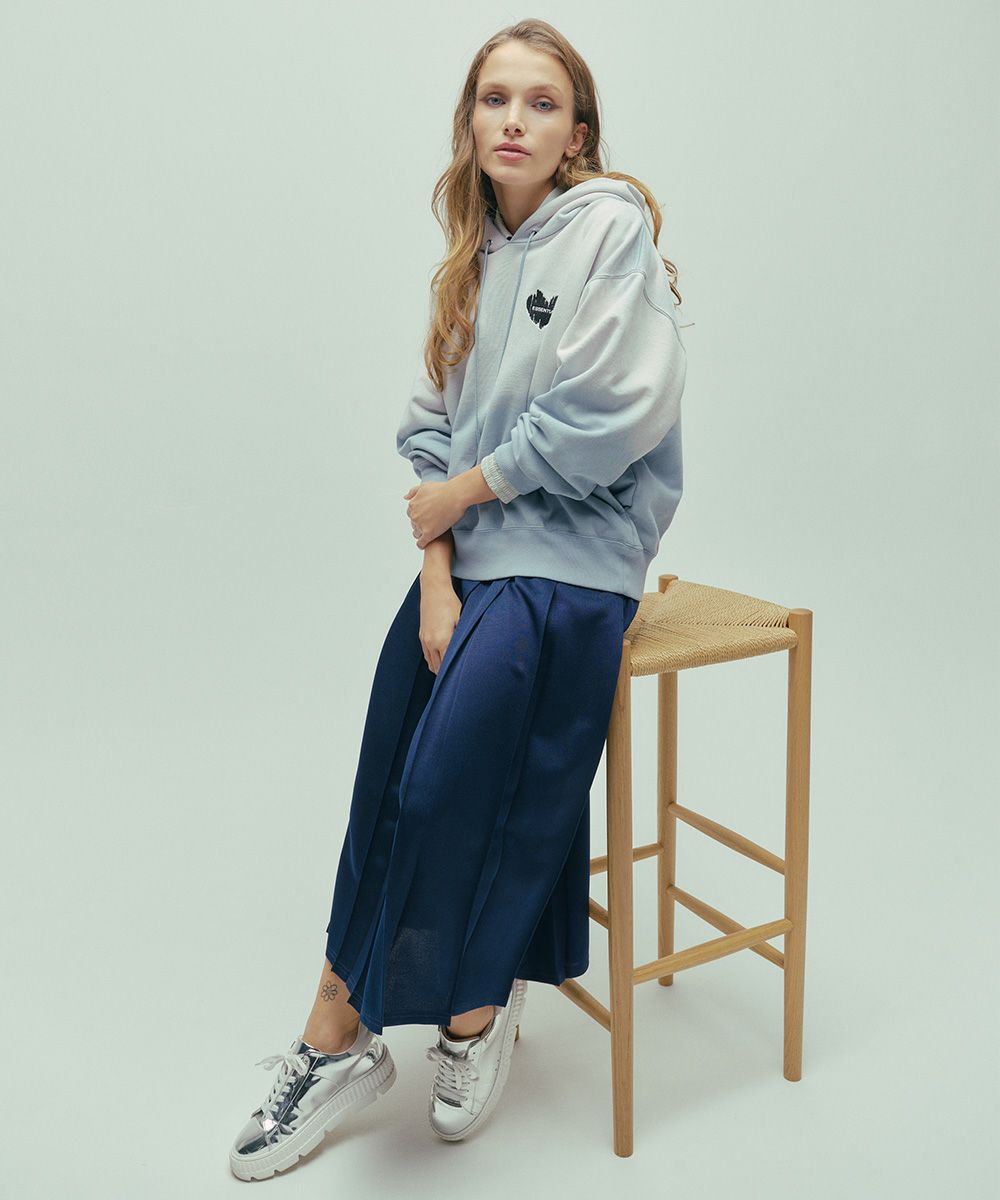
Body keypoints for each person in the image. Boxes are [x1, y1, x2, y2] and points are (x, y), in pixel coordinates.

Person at [229, 17, 688, 1180]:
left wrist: (469, 495)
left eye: (541, 102)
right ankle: (354, 1037)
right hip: (471, 562)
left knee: (445, 788)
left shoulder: (610, 229)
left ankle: (443, 1016)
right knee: (389, 777)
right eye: (494, 99)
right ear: (469, 122)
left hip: (573, 566)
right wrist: (437, 579)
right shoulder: (473, 255)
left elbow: (612, 414)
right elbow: (428, 434)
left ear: (577, 134)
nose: (513, 120)